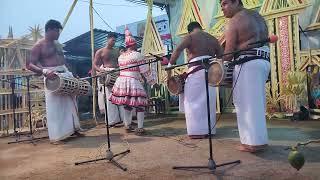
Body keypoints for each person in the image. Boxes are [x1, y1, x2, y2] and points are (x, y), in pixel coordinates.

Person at [220, 0, 271, 152]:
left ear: (237, 2)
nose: (223, 8)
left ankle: (253, 144)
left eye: (225, 3)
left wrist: (219, 67)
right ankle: (257, 140)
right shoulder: (258, 16)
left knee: (246, 104)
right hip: (263, 61)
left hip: (248, 64)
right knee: (256, 103)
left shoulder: (234, 21)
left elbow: (229, 52)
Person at [27, 19, 83, 144]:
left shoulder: (57, 43)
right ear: (49, 30)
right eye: (57, 31)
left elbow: (63, 60)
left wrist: (71, 73)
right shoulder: (39, 45)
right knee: (55, 107)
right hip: (51, 75)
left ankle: (73, 129)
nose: (58, 33)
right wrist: (45, 71)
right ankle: (57, 136)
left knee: (71, 103)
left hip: (65, 73)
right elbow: (30, 64)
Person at [167, 21, 223, 139]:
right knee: (208, 101)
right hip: (211, 72)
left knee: (192, 101)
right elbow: (221, 55)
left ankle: (196, 131)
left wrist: (169, 65)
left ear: (189, 30)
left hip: (196, 71)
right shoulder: (213, 38)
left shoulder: (190, 37)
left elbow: (177, 50)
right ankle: (209, 131)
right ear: (200, 28)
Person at [109, 27, 156, 135]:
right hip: (132, 81)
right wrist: (151, 81)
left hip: (121, 82)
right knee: (140, 104)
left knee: (127, 105)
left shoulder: (120, 57)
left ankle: (127, 125)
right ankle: (140, 127)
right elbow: (144, 71)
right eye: (136, 44)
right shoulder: (138, 55)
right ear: (133, 45)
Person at [93, 34, 124, 126]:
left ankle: (123, 118)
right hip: (107, 74)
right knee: (110, 97)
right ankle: (112, 121)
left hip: (117, 73)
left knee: (120, 96)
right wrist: (100, 70)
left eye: (115, 41)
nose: (114, 42)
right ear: (107, 39)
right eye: (112, 40)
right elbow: (95, 64)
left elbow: (121, 62)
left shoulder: (117, 51)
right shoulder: (100, 51)